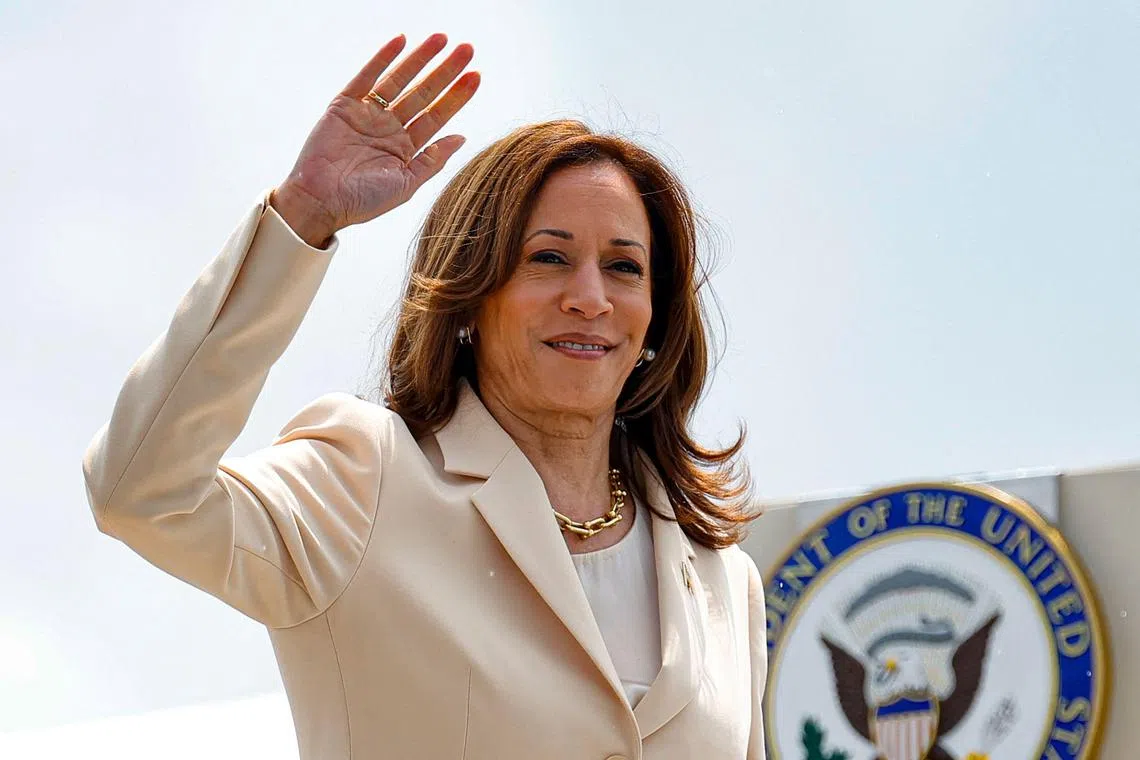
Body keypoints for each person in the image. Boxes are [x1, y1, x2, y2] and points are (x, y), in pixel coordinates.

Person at [82, 31, 768, 760]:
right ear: (470, 297)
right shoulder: (365, 480)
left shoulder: (725, 577)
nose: (590, 297)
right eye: (549, 258)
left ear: (656, 317)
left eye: (624, 267)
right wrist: (301, 217)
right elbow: (142, 492)